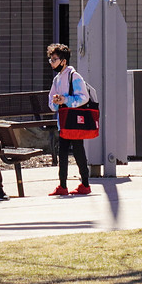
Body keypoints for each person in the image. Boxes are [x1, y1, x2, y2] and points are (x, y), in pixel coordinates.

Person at [46, 42, 92, 196]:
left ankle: (84, 183)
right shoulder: (57, 79)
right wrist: (56, 101)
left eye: (54, 59)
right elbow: (51, 103)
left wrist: (64, 100)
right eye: (51, 60)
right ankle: (63, 185)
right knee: (63, 152)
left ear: (63, 61)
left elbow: (84, 98)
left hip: (74, 121)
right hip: (64, 122)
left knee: (78, 151)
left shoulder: (74, 76)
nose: (52, 63)